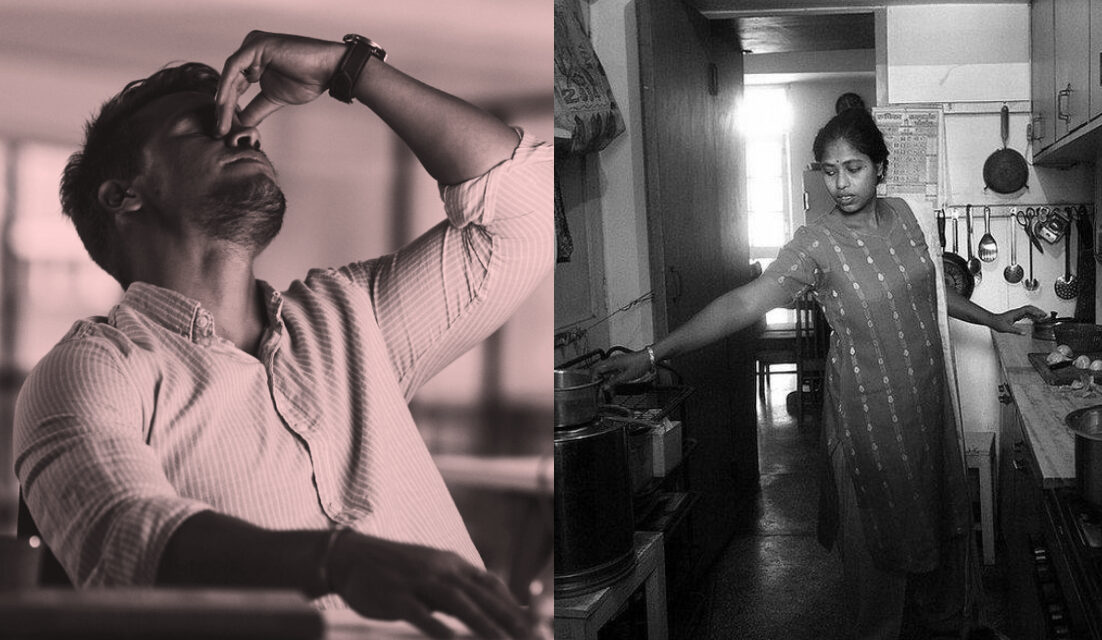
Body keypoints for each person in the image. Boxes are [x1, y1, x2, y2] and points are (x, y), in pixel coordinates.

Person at [13, 30, 552, 639]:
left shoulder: (351, 314)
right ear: (123, 195)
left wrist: (353, 70)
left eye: (242, 126)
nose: (243, 134)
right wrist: (336, 562)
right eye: (201, 129)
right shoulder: (90, 370)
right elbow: (127, 535)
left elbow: (525, 206)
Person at [595, 108, 1038, 639]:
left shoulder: (905, 216)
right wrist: (650, 354)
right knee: (879, 545)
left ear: (880, 166)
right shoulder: (817, 242)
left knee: (936, 530)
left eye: (853, 168)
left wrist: (994, 319)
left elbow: (928, 293)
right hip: (870, 417)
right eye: (829, 171)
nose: (841, 184)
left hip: (927, 403)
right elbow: (743, 303)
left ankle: (947, 627)